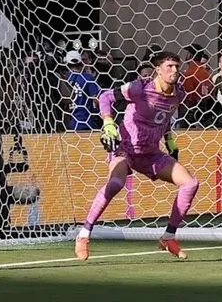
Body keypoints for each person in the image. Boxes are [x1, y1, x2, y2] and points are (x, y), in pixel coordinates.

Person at [75, 51, 200, 260]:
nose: (174, 70)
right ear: (158, 70)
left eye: (177, 66)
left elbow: (165, 117)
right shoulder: (139, 88)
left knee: (190, 184)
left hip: (150, 153)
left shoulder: (179, 93)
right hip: (125, 148)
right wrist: (108, 123)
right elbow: (105, 97)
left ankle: (168, 237)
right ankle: (84, 234)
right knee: (116, 183)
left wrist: (169, 139)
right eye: (169, 66)